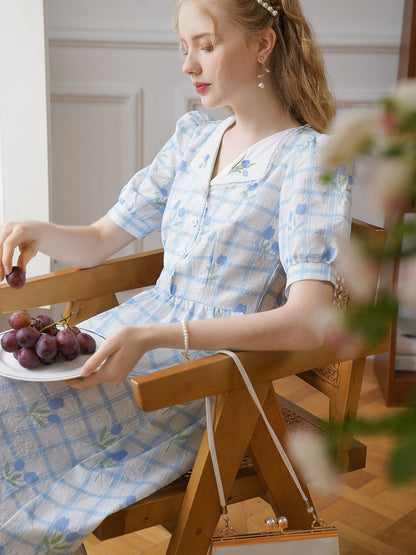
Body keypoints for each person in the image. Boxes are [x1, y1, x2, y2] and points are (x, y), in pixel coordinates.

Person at [0, 0, 352, 553]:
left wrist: (156, 336)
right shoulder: (193, 139)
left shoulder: (310, 160)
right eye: (184, 47)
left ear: (263, 45)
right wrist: (41, 231)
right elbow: (99, 240)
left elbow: (310, 321)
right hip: (139, 340)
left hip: (211, 378)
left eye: (206, 46)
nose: (189, 65)